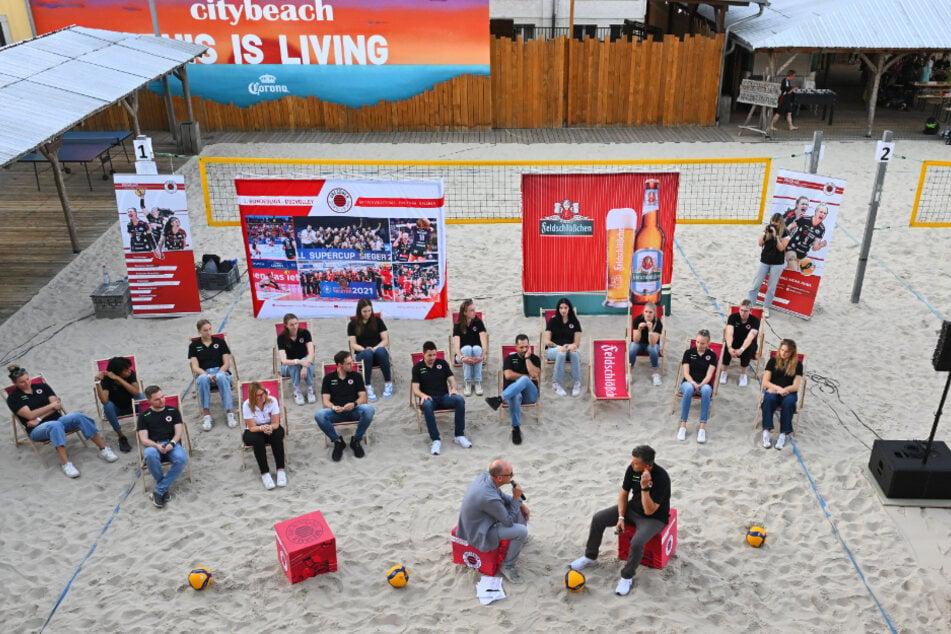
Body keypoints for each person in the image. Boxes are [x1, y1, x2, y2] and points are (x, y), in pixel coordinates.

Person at [569, 445, 671, 597]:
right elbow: (623, 494)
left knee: (637, 542)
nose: (632, 465)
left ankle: (627, 576)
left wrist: (644, 488)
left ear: (648, 465)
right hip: (633, 509)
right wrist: (621, 517)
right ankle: (590, 557)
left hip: (654, 518)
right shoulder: (632, 470)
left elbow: (650, 510)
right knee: (599, 518)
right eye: (632, 461)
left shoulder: (662, 478)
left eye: (636, 463)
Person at [7, 364, 119, 478]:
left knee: (77, 416)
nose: (27, 383)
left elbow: (57, 406)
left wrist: (39, 417)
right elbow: (30, 415)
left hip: (56, 420)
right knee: (54, 425)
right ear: (15, 383)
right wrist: (50, 407)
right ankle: (66, 464)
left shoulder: (42, 387)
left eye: (27, 379)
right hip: (36, 429)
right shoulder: (13, 398)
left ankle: (104, 449)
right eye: (22, 382)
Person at [456, 459, 530, 585]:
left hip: (478, 520)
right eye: (510, 474)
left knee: (514, 507)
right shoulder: (488, 497)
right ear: (500, 478)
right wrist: (516, 498)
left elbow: (500, 495)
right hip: (479, 532)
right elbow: (509, 522)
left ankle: (516, 542)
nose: (513, 476)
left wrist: (520, 503)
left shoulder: (486, 476)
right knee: (521, 531)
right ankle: (507, 566)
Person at [412, 341, 471, 456]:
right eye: (429, 355)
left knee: (459, 400)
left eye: (434, 355)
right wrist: (422, 395)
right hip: (429, 398)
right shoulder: (417, 368)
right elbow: (415, 389)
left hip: (444, 396)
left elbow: (452, 379)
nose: (432, 358)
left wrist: (453, 388)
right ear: (423, 354)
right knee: (427, 406)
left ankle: (459, 435)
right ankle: (435, 440)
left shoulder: (442, 363)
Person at [315, 350, 374, 461]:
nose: (352, 365)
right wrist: (333, 407)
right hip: (336, 412)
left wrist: (354, 404)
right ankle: (338, 441)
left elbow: (363, 397)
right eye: (348, 363)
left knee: (369, 410)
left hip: (354, 410)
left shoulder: (356, 376)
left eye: (352, 362)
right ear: (339, 365)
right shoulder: (328, 378)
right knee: (319, 415)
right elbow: (325, 401)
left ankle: (356, 440)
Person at [137, 385, 188, 508]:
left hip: (171, 443)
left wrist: (172, 444)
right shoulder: (144, 416)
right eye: (157, 399)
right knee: (149, 454)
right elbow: (144, 439)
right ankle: (162, 489)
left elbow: (178, 433)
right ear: (149, 401)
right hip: (154, 444)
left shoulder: (173, 411)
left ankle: (159, 490)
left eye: (162, 397)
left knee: (181, 458)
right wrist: (156, 445)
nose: (162, 400)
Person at [485, 334, 540, 445]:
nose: (525, 350)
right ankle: (516, 428)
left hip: (531, 394)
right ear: (516, 347)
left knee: (524, 380)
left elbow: (534, 374)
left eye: (526, 347)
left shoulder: (534, 358)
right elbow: (508, 375)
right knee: (515, 395)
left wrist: (528, 359)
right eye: (521, 347)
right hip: (514, 394)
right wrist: (526, 376)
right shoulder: (510, 359)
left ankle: (499, 399)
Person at [187, 319, 236, 431]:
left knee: (221, 377)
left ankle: (229, 412)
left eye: (210, 329)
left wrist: (218, 373)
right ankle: (206, 414)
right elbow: (195, 367)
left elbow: (226, 364)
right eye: (205, 330)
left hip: (220, 370)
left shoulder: (220, 342)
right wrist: (207, 374)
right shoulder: (194, 346)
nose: (208, 332)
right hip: (204, 372)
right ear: (199, 331)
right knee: (203, 379)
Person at [241, 381, 287, 489]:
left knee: (277, 434)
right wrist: (262, 428)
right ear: (253, 396)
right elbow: (252, 427)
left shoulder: (272, 401)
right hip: (253, 430)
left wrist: (270, 427)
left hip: (270, 426)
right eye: (259, 395)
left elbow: (276, 423)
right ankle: (265, 473)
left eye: (264, 393)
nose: (263, 397)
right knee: (258, 440)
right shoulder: (247, 405)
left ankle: (281, 470)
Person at [761, 339, 804, 450]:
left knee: (789, 402)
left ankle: (783, 434)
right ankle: (766, 431)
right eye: (782, 350)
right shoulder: (773, 361)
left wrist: (784, 390)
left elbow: (795, 386)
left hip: (789, 392)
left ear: (792, 353)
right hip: (774, 390)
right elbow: (765, 382)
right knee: (769, 399)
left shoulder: (798, 365)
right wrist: (778, 389)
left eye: (787, 351)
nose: (783, 353)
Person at [347, 298, 393, 401]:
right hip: (362, 354)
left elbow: (385, 340)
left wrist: (375, 348)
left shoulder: (378, 321)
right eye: (364, 311)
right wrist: (364, 349)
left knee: (381, 350)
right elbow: (353, 344)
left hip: (377, 352)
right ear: (359, 311)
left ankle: (388, 384)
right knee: (367, 353)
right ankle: (367, 386)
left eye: (369, 310)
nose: (367, 313)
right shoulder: (352, 324)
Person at [677, 329, 717, 444]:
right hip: (689, 382)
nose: (699, 345)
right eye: (697, 342)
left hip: (704, 383)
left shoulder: (712, 355)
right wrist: (694, 383)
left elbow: (709, 375)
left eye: (702, 343)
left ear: (708, 343)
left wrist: (701, 384)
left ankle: (702, 428)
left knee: (706, 391)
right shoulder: (689, 353)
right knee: (689, 389)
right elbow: (686, 373)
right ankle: (683, 425)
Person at [95, 356, 142, 452]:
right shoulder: (107, 380)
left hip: (132, 406)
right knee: (107, 406)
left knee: (141, 397)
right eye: (126, 370)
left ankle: (145, 428)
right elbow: (104, 400)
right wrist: (98, 383)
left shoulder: (131, 374)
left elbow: (136, 392)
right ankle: (121, 436)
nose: (129, 371)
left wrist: (119, 379)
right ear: (117, 372)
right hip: (117, 410)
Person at [747, 213, 790, 318]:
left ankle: (765, 308)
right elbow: (760, 243)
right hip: (765, 261)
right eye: (772, 224)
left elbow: (781, 248)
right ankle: (750, 305)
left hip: (777, 263)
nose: (773, 226)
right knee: (755, 284)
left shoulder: (786, 233)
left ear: (780, 223)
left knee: (771, 287)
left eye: (776, 224)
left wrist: (775, 236)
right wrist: (766, 232)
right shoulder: (768, 230)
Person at [542, 297, 583, 397]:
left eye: (565, 307)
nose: (563, 310)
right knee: (561, 352)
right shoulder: (553, 321)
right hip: (554, 350)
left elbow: (577, 343)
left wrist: (570, 346)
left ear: (569, 309)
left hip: (569, 348)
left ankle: (576, 383)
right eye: (561, 308)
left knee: (574, 352)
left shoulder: (575, 322)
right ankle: (556, 383)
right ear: (558, 309)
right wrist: (558, 346)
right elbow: (547, 341)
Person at [720, 299, 761, 387]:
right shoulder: (733, 317)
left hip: (748, 342)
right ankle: (724, 372)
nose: (743, 313)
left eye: (746, 311)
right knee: (727, 344)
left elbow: (750, 337)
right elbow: (729, 333)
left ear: (750, 311)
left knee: (748, 348)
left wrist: (742, 349)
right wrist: (730, 347)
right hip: (735, 340)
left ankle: (743, 374)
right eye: (741, 310)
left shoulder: (755, 321)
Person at [277, 313, 316, 406]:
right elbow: (284, 360)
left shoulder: (305, 333)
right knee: (295, 365)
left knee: (308, 361)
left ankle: (310, 389)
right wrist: (298, 362)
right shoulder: (281, 338)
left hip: (304, 361)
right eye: (291, 325)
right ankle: (297, 390)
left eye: (296, 323)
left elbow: (311, 353)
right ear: (286, 325)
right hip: (288, 366)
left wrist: (305, 366)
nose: (294, 326)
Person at [452, 299, 488, 397]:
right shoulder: (458, 325)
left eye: (474, 310)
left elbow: (484, 344)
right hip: (462, 356)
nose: (474, 312)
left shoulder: (478, 322)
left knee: (476, 349)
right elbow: (456, 347)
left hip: (478, 355)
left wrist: (482, 356)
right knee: (467, 349)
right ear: (465, 313)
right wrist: (463, 358)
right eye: (471, 310)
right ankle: (467, 382)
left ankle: (477, 381)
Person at [785, 204, 829, 272]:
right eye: (821, 212)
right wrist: (784, 237)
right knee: (793, 267)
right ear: (816, 212)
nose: (822, 214)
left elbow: (815, 247)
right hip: (792, 248)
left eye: (825, 213)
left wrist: (821, 245)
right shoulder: (805, 219)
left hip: (802, 253)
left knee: (791, 270)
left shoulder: (821, 229)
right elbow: (790, 227)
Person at [628, 302, 663, 386]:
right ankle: (629, 372)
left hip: (651, 345)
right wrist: (639, 329)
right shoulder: (637, 320)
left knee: (653, 349)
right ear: (643, 312)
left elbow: (652, 343)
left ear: (654, 313)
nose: (648, 314)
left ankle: (655, 373)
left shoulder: (657, 323)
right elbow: (635, 340)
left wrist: (650, 330)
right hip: (639, 344)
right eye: (646, 311)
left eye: (650, 312)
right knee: (633, 346)